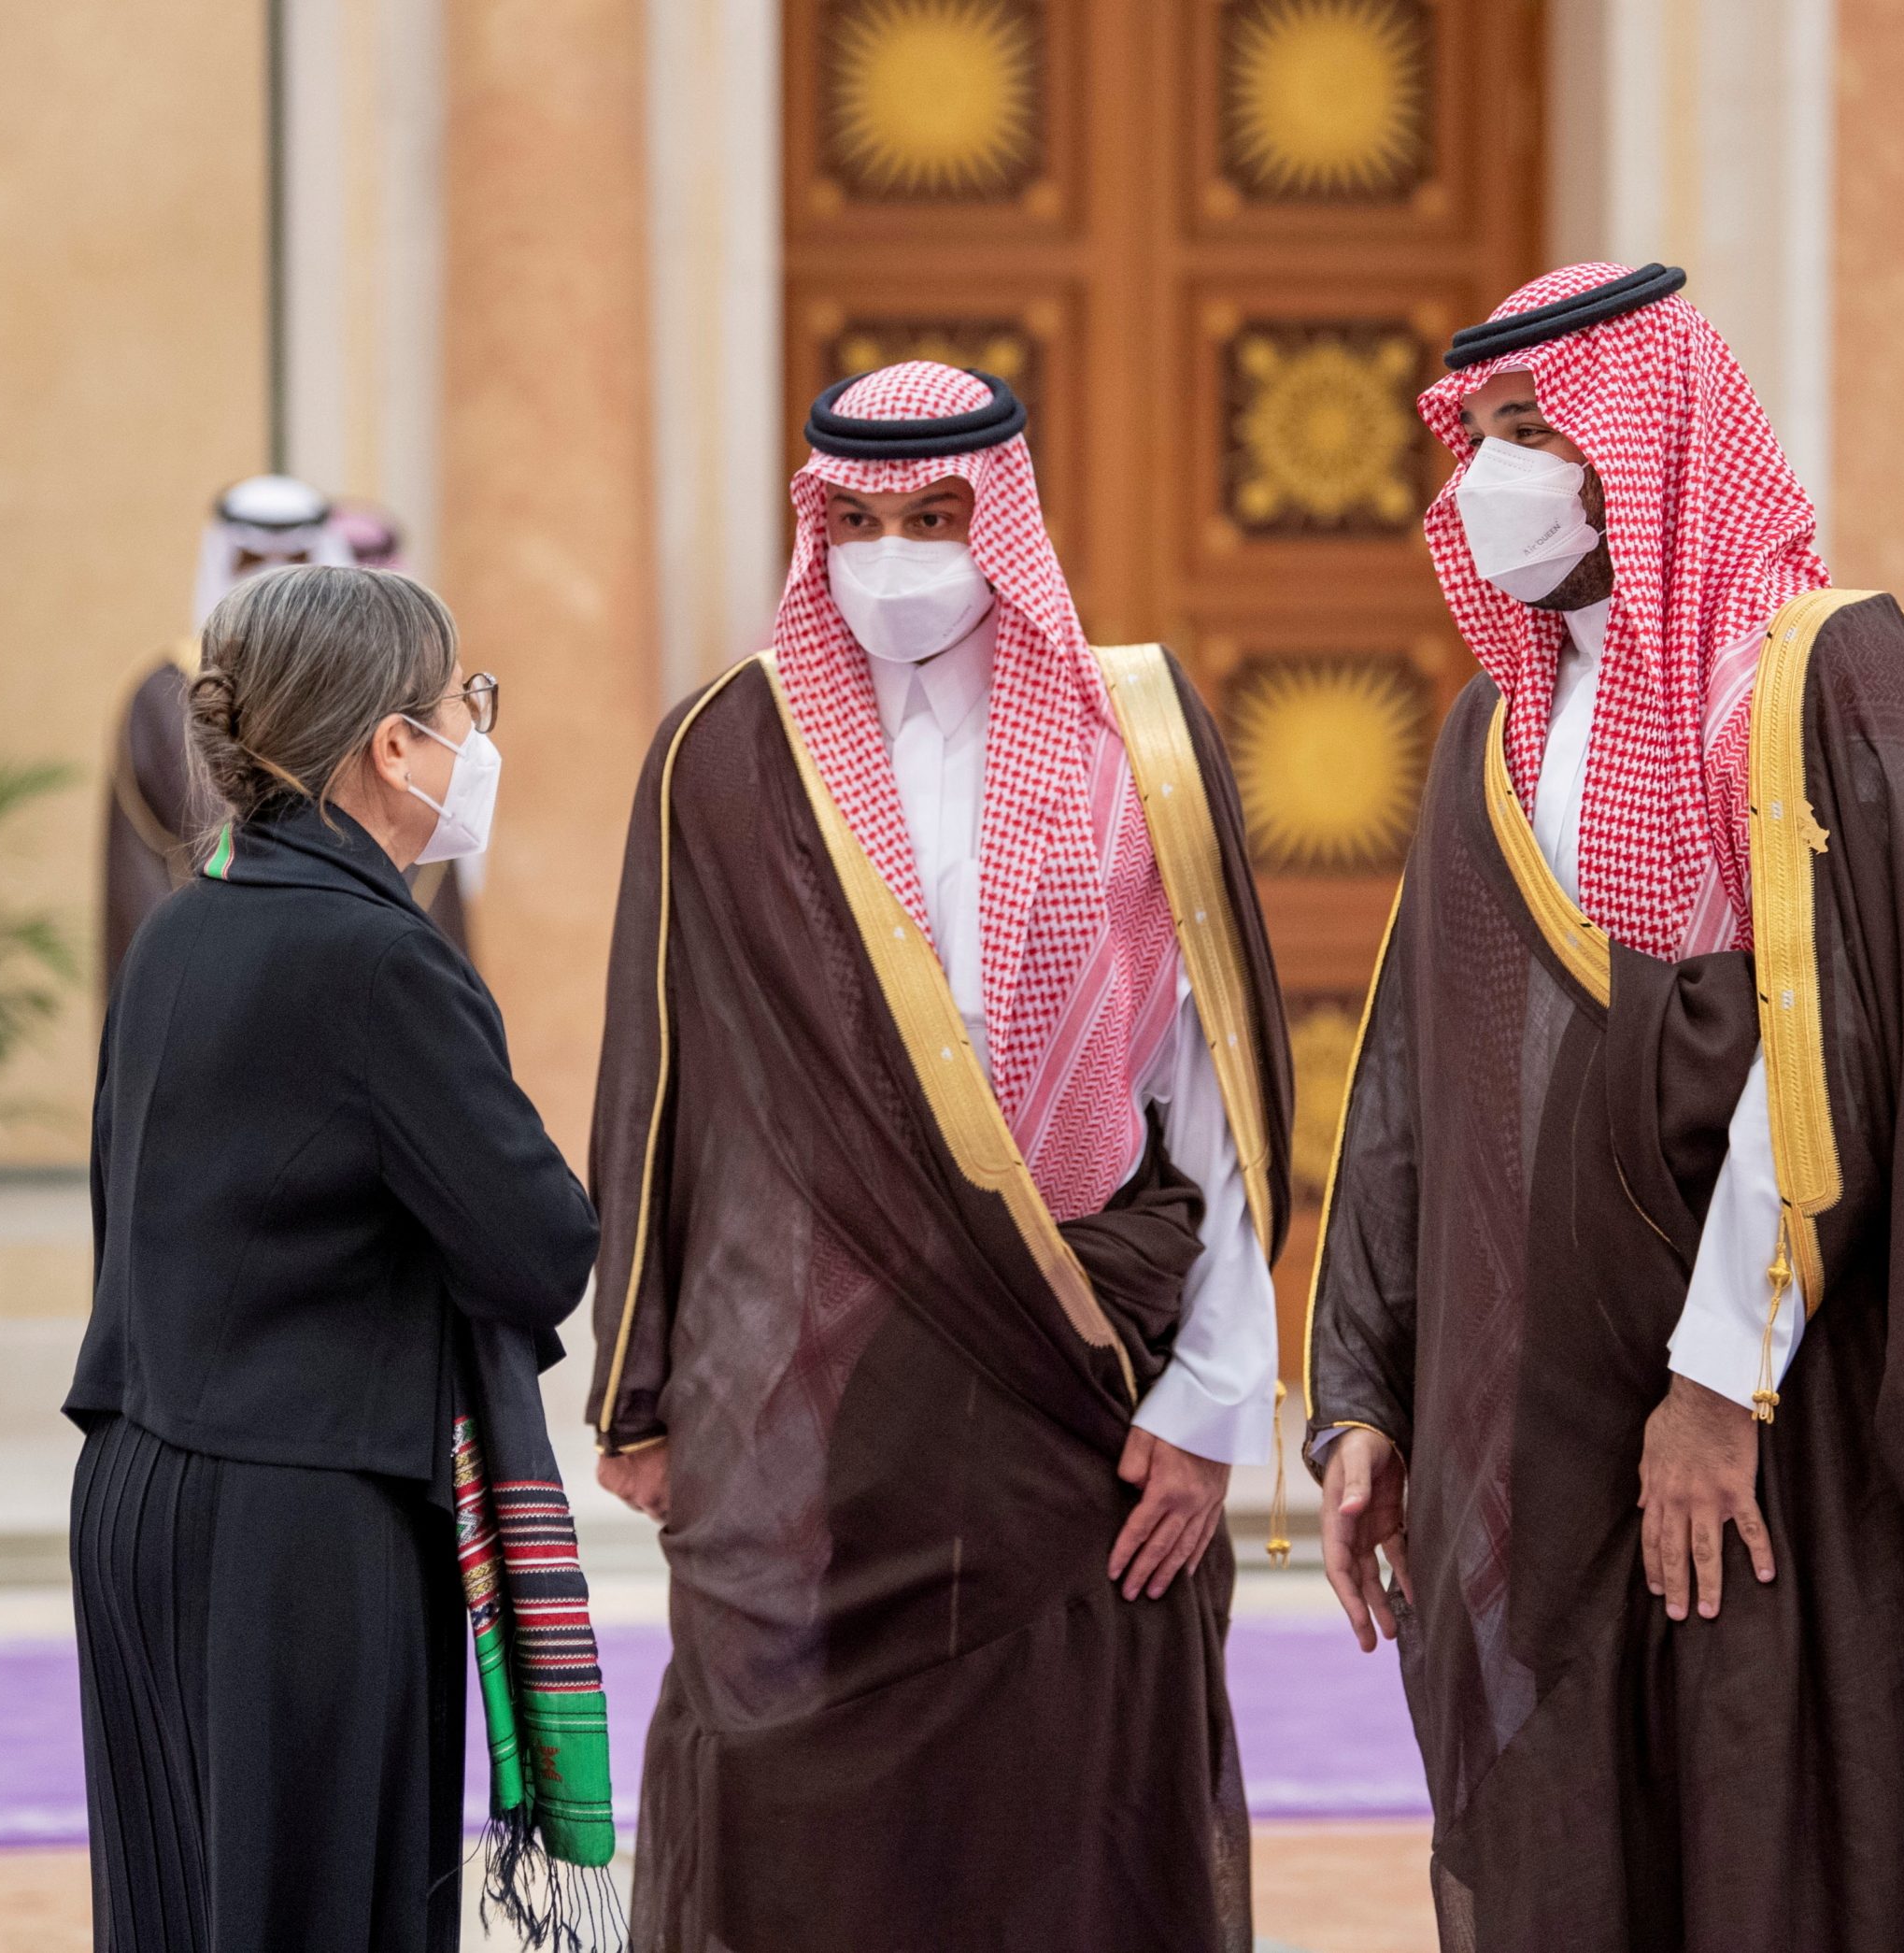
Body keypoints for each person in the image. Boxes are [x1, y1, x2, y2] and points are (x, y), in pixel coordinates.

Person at [1306, 263, 1904, 1950]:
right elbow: (1426, 1075)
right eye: (1478, 436)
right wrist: (1369, 1391)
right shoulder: (1495, 725)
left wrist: (1718, 1383)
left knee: (1772, 1832)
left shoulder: (1814, 672)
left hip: (1779, 1422)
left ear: (1645, 432)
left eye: (1536, 428)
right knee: (1582, 1855)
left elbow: (1836, 1043)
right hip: (1552, 1426)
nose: (1496, 472)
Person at [589, 361, 1293, 1952]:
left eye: (934, 516)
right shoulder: (725, 749)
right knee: (794, 1815)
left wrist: (1210, 1405)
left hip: (1083, 1384)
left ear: (1006, 518)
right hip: (808, 1399)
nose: (892, 556)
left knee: (1067, 1814)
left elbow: (1216, 1097)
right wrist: (643, 1387)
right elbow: (663, 1077)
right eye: (856, 520)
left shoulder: (1136, 735)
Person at [65, 565, 604, 1952]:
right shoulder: (381, 959)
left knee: (178, 1916)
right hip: (298, 1525)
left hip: (135, 1488)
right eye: (464, 706)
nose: (475, 738)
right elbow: (540, 1245)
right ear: (391, 745)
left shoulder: (182, 925)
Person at [102, 478, 471, 991]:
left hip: (371, 965)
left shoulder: (380, 690)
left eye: (299, 558)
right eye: (251, 560)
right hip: (214, 976)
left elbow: (414, 842)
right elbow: (191, 849)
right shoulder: (166, 694)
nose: (273, 577)